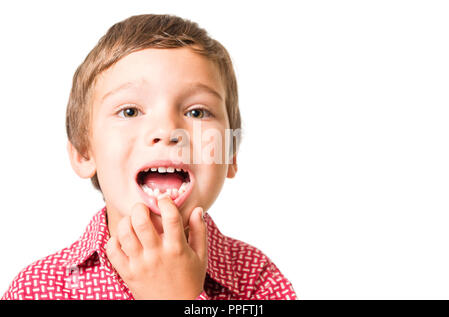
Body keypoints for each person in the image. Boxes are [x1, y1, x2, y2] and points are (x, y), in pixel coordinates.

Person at [2, 14, 296, 300]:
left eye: (197, 112)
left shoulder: (259, 281)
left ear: (230, 153)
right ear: (83, 152)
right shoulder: (38, 289)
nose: (168, 131)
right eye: (129, 111)